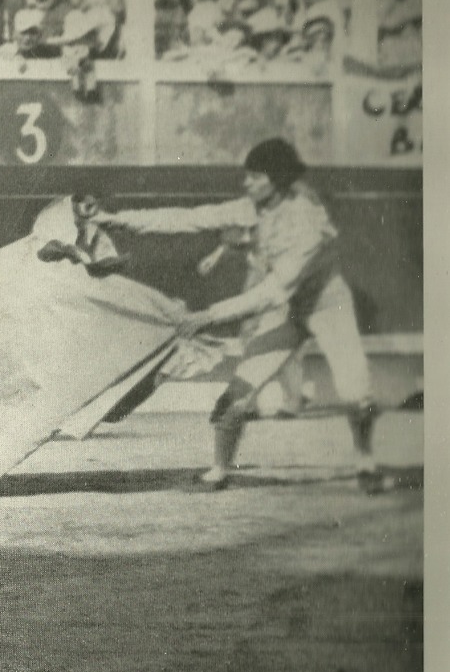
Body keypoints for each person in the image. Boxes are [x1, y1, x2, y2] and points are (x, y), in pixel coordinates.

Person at [94, 138, 385, 493]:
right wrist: (115, 219)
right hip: (289, 310)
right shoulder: (256, 207)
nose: (246, 184)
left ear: (275, 180)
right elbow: (190, 219)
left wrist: (210, 315)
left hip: (327, 305)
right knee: (237, 395)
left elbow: (270, 292)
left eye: (254, 177)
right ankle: (219, 470)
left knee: (356, 390)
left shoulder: (306, 222)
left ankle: (367, 462)